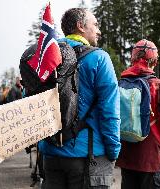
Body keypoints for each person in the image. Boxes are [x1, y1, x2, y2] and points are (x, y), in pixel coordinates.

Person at [38, 8, 121, 189]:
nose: (98, 30)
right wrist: (114, 150)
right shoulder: (99, 58)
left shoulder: (48, 56)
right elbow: (110, 111)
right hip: (87, 155)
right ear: (80, 26)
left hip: (51, 155)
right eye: (95, 25)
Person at [116, 39, 160, 189]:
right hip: (151, 157)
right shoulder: (158, 85)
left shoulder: (120, 84)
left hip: (127, 155)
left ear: (133, 59)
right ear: (154, 61)